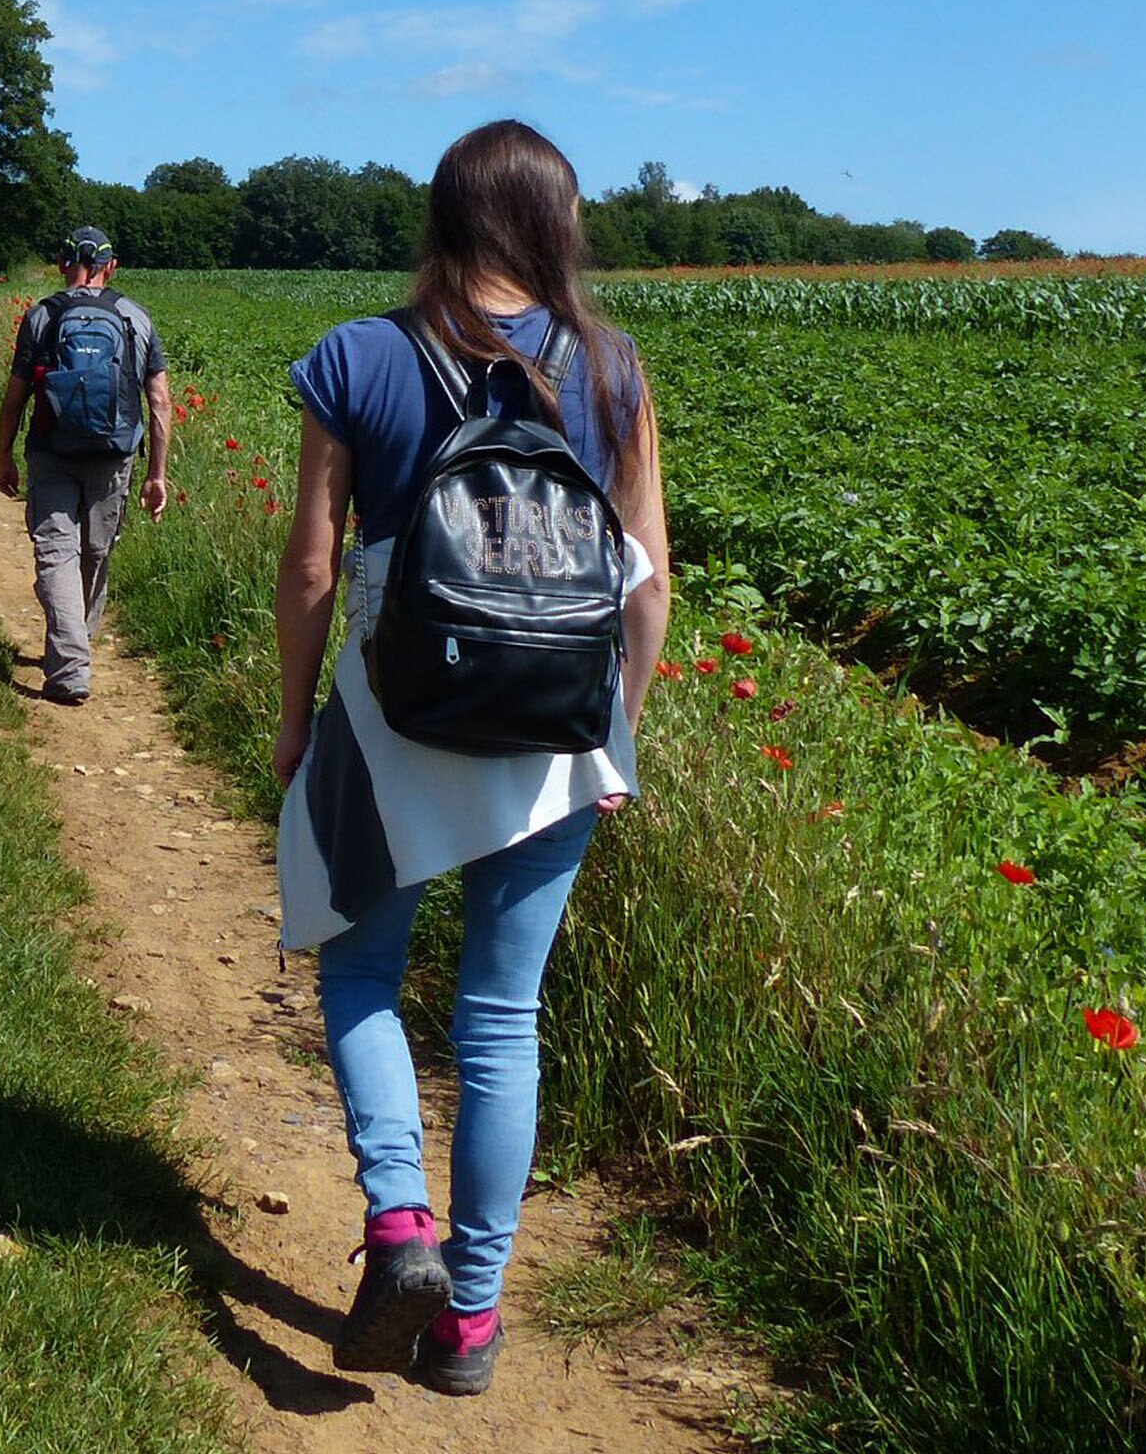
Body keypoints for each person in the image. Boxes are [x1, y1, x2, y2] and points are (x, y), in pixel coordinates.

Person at [269, 119, 670, 1397]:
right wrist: (620, 731)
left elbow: (315, 566)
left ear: (440, 216)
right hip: (559, 733)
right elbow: (649, 581)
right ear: (561, 225)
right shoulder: (612, 368)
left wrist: (294, 716)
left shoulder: (361, 356)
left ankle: (399, 1225)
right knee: (504, 1019)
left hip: (397, 721)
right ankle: (475, 1321)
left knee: (362, 972)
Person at [0, 226, 173, 705]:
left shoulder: (42, 316)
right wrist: (157, 473)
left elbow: (15, 398)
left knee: (56, 553)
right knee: (95, 553)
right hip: (113, 457)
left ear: (61, 264)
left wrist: (5, 456)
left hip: (51, 451)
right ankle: (75, 654)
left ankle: (70, 655)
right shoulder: (135, 318)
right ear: (111, 268)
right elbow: (159, 403)